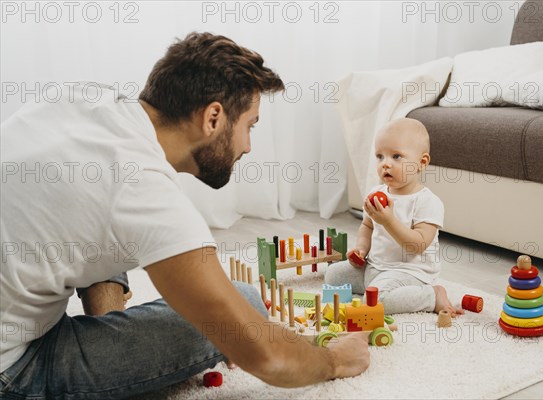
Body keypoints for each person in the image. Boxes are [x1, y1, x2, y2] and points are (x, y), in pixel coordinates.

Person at [0, 32, 370, 399]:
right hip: (14, 368)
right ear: (213, 118)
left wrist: (110, 330)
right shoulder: (148, 195)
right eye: (249, 126)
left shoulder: (83, 100)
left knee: (94, 202)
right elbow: (268, 357)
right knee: (247, 303)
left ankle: (104, 323)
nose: (248, 146)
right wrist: (334, 359)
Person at [325, 118, 464, 317]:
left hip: (409, 272)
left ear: (421, 163)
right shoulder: (376, 192)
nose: (386, 164)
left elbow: (417, 246)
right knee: (332, 276)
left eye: (396, 156)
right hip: (374, 266)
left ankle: (432, 295)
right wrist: (361, 249)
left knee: (376, 302)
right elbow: (367, 226)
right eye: (380, 156)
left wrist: (389, 221)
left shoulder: (427, 202)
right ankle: (379, 287)